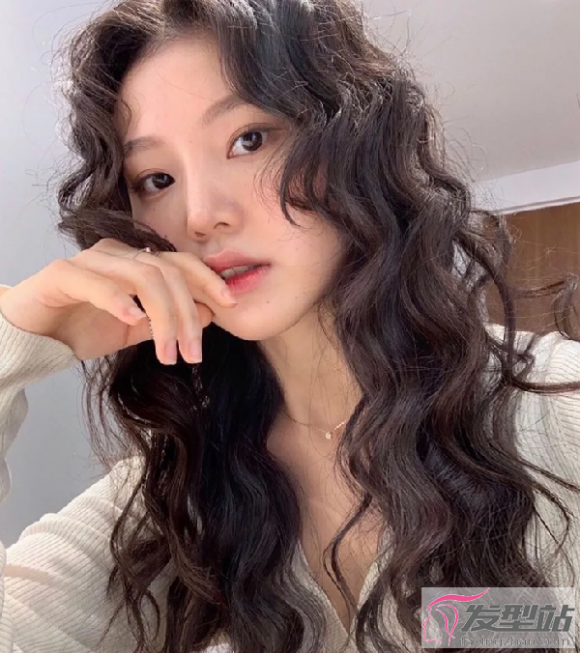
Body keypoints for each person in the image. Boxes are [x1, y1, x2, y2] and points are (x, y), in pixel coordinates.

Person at [1, 0, 579, 652]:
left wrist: (476, 619)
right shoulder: (173, 496)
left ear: (352, 141)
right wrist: (18, 337)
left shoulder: (556, 409)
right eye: (156, 179)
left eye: (249, 140)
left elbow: (536, 618)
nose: (201, 215)